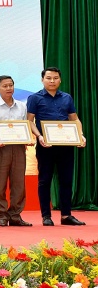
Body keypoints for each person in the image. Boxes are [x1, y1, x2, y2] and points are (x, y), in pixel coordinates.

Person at [27, 67, 86, 226]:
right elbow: (29, 121)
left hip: (66, 145)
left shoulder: (67, 97)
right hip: (45, 145)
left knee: (66, 180)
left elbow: (74, 119)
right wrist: (39, 136)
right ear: (42, 80)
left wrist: (80, 135)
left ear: (60, 80)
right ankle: (46, 216)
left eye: (55, 78)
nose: (52, 81)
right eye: (49, 78)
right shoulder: (35, 98)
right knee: (44, 180)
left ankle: (66, 215)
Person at [0, 75, 32, 227]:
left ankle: (15, 215)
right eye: (5, 86)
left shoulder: (22, 106)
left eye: (11, 85)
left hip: (18, 148)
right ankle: (2, 215)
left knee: (19, 183)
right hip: (0, 148)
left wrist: (27, 138)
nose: (9, 88)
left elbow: (25, 126)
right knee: (0, 184)